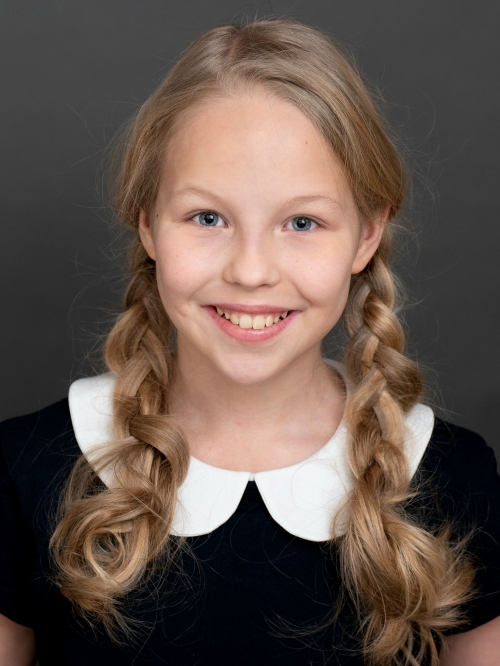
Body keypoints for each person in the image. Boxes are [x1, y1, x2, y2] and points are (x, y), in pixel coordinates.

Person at [0, 18, 499, 666]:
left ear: (367, 234)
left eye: (302, 222)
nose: (252, 270)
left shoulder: (456, 480)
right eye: (208, 217)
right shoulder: (24, 470)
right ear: (148, 223)